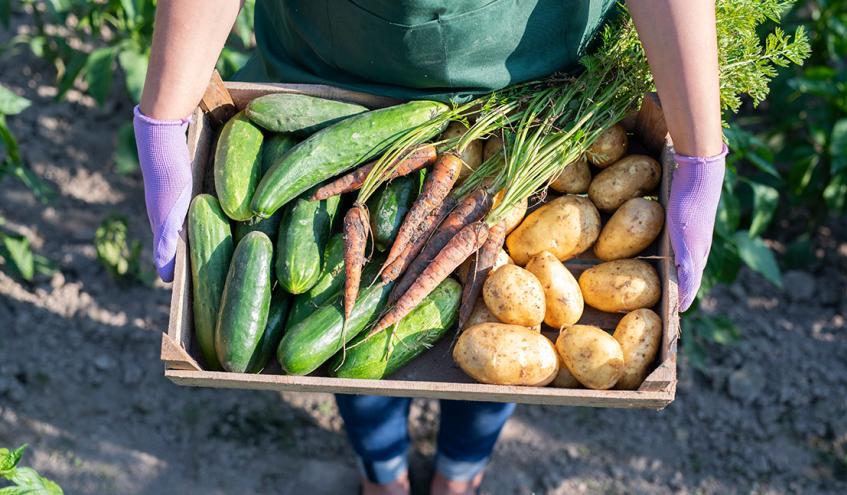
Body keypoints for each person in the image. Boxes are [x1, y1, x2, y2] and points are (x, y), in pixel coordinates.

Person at [134, 2, 727, 494]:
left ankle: (459, 474)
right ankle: (382, 472)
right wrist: (164, 116)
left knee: (492, 335)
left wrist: (700, 154)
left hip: (528, 90)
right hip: (334, 61)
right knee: (353, 356)